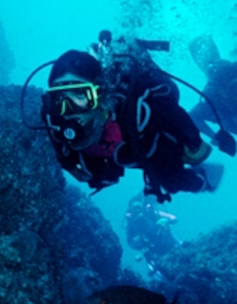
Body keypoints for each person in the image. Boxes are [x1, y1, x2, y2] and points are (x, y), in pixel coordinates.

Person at [40, 31, 216, 201]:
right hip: (119, 152)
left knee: (171, 181)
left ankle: (206, 181)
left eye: (80, 95)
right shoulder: (53, 117)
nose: (69, 110)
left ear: (100, 94)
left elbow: (173, 113)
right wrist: (73, 167)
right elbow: (64, 156)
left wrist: (194, 144)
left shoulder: (136, 112)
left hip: (145, 140)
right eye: (59, 98)